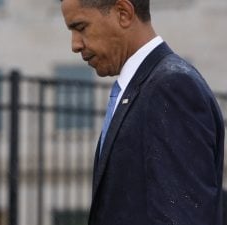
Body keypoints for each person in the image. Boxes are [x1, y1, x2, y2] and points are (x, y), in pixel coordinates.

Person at [60, 0, 225, 225]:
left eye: (81, 27)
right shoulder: (146, 87)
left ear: (123, 13)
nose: (75, 45)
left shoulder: (171, 87)